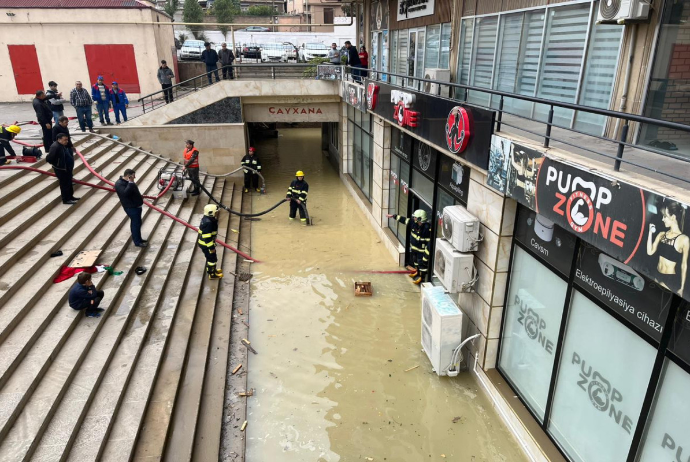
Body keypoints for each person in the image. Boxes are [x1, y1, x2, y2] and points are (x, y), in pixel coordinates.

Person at [647, 202, 690, 296]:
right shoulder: (662, 234)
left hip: (669, 279)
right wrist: (650, 233)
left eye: (665, 216)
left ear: (673, 217)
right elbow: (650, 252)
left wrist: (682, 288)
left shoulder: (684, 239)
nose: (663, 219)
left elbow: (684, 265)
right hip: (657, 273)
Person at [386, 210, 431, 284]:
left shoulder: (427, 229)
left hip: (421, 252)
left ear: (420, 219)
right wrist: (394, 216)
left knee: (421, 265)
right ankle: (417, 272)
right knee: (415, 262)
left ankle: (421, 278)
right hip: (414, 249)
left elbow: (429, 244)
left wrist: (425, 257)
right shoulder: (414, 223)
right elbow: (405, 220)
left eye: (415, 217)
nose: (414, 218)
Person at [115, 168, 148, 248]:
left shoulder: (128, 182)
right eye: (133, 176)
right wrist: (130, 183)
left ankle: (139, 239)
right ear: (128, 176)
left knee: (138, 223)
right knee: (135, 224)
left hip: (136, 206)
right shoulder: (119, 184)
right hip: (131, 207)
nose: (134, 177)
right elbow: (125, 194)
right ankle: (137, 242)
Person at [46, 133, 79, 205]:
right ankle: (66, 199)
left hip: (67, 169)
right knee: (64, 184)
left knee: (69, 183)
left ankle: (71, 196)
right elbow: (49, 158)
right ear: (59, 139)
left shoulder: (62, 145)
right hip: (61, 169)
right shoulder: (55, 147)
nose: (67, 141)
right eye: (65, 140)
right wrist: (58, 164)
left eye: (67, 139)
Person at [198, 204, 223, 280]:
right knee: (212, 259)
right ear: (211, 213)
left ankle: (213, 270)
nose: (217, 213)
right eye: (216, 212)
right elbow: (207, 237)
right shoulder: (208, 223)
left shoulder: (208, 219)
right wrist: (211, 248)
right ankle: (212, 274)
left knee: (212, 258)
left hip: (206, 244)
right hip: (206, 245)